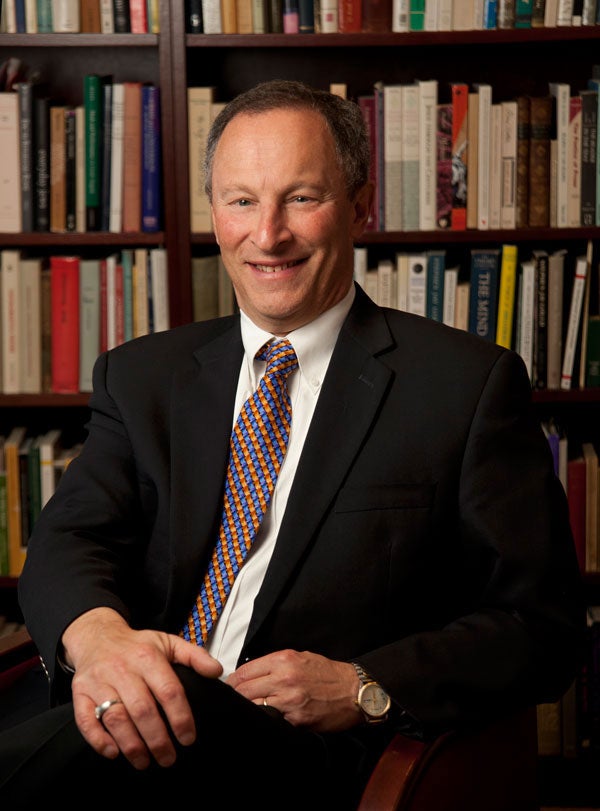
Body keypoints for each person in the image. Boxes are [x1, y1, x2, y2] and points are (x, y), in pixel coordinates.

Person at [0, 79, 586, 808]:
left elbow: (541, 625)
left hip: (289, 757)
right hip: (110, 713)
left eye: (301, 198)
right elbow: (69, 539)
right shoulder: (141, 375)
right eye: (242, 201)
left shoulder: (465, 387)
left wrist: (364, 684)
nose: (268, 234)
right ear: (215, 215)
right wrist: (99, 641)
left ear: (360, 206)